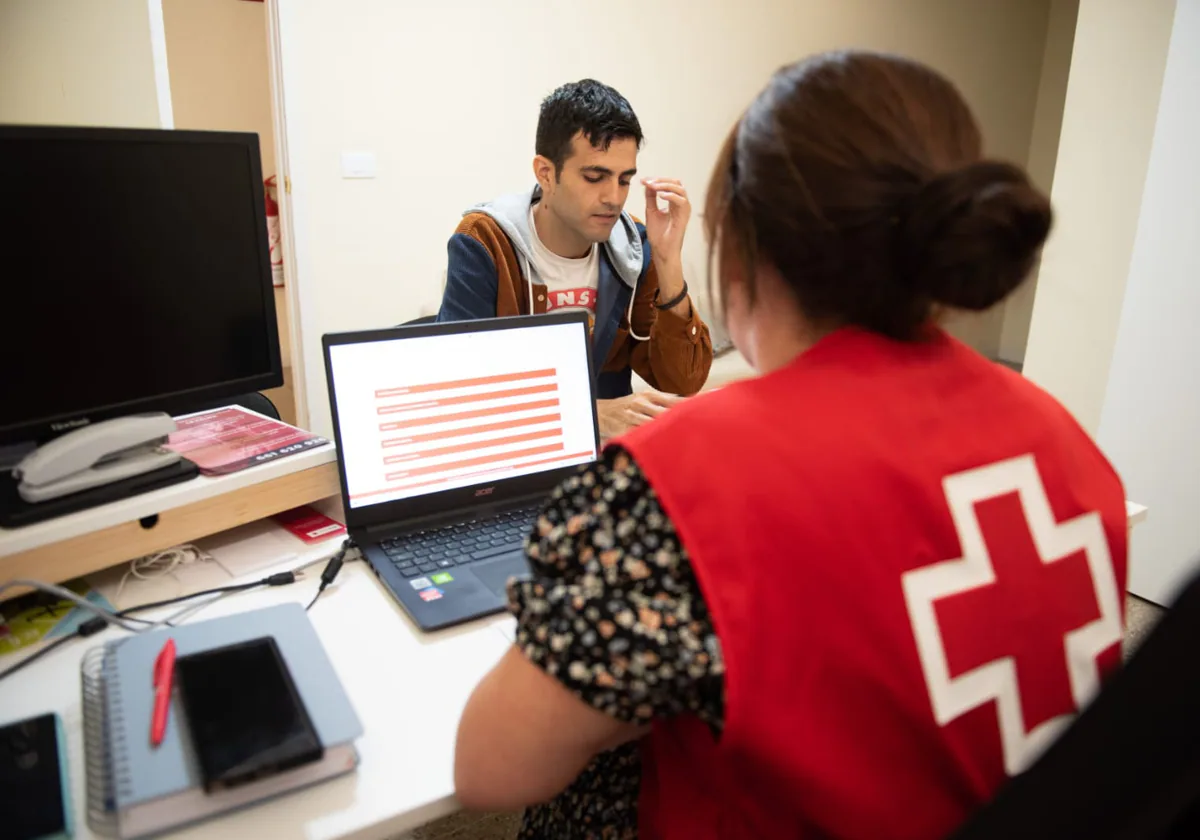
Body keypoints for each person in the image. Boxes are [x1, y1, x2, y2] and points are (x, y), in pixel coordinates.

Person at [454, 51, 1130, 839]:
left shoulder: (689, 478)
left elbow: (490, 769)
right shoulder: (1064, 436)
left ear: (742, 249)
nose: (614, 196)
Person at [436, 79, 714, 439]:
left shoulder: (633, 246)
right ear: (546, 173)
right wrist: (586, 412)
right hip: (518, 457)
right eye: (595, 177)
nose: (614, 198)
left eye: (624, 180)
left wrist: (667, 260)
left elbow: (683, 382)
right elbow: (455, 389)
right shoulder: (485, 242)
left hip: (605, 464)